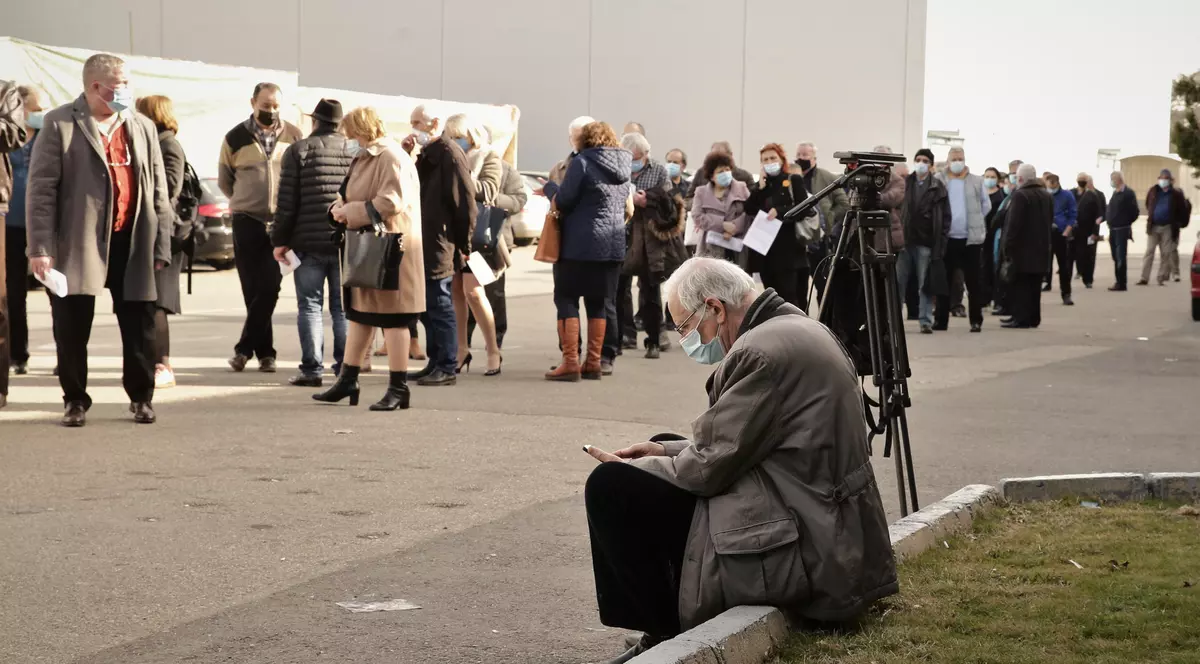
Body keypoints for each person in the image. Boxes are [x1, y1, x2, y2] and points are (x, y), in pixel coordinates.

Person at [582, 257, 897, 663]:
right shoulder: (796, 328)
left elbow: (708, 469)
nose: (685, 339)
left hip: (808, 538)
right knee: (660, 446)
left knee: (611, 487)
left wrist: (631, 468)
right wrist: (662, 452)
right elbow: (740, 443)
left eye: (684, 327)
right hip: (823, 518)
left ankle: (663, 631)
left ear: (714, 308)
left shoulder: (758, 352)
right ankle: (662, 624)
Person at [26, 53, 174, 426]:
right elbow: (41, 192)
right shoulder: (60, 123)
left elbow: (158, 189)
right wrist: (40, 248)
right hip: (78, 242)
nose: (127, 90)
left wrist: (162, 244)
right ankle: (75, 400)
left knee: (139, 325)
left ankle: (141, 397)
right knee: (72, 326)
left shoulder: (141, 125)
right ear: (96, 86)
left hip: (133, 240)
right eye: (121, 84)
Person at [311, 107, 425, 411]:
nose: (348, 140)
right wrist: (338, 209)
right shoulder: (366, 156)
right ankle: (348, 380)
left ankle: (398, 389)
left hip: (390, 251)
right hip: (369, 248)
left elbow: (391, 201)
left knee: (395, 320)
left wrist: (350, 212)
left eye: (350, 134)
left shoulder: (390, 156)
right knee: (361, 315)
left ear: (361, 130)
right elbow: (349, 193)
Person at [271, 98, 355, 387]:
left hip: (307, 243)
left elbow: (286, 203)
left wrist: (279, 240)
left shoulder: (299, 150)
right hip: (344, 241)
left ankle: (312, 370)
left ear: (315, 120)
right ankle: (345, 368)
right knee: (342, 309)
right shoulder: (353, 150)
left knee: (309, 306)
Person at [219, 82, 302, 373]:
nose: (271, 111)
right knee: (251, 290)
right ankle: (266, 354)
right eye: (266, 106)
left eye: (276, 106)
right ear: (253, 102)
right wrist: (244, 200)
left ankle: (243, 350)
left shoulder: (294, 135)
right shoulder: (235, 137)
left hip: (281, 222)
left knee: (270, 287)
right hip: (247, 220)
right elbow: (225, 180)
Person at [542, 121, 630, 382]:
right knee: (598, 302)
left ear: (584, 140)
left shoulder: (581, 162)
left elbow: (565, 200)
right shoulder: (624, 165)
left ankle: (570, 362)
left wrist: (549, 188)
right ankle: (593, 362)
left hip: (579, 245)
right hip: (612, 247)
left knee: (566, 298)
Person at [404, 104, 476, 387]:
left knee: (439, 304)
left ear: (434, 123)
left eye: (417, 123)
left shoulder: (449, 153)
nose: (414, 128)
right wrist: (408, 155)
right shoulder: (427, 154)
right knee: (426, 307)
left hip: (440, 241)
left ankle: (446, 365)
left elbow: (465, 202)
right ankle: (435, 362)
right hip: (423, 239)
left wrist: (464, 242)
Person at [135, 95, 190, 389]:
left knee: (159, 304)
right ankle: (150, 362)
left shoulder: (168, 145)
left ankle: (163, 365)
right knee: (145, 303)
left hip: (164, 236)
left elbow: (169, 189)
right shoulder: (151, 142)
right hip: (146, 233)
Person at [442, 114, 503, 376]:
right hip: (452, 233)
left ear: (472, 136)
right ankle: (461, 349)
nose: (456, 141)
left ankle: (493, 350)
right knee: (456, 291)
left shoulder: (489, 156)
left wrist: (461, 176)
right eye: (451, 136)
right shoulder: (446, 156)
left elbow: (489, 190)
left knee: (474, 292)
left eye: (460, 136)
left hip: (476, 236)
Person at [617, 132, 672, 355]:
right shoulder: (617, 168)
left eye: (637, 157)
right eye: (630, 157)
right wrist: (628, 199)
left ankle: (654, 341)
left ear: (646, 154)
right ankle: (623, 336)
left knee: (651, 291)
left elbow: (668, 203)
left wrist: (646, 200)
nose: (634, 162)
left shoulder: (658, 170)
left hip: (649, 239)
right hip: (622, 235)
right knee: (619, 290)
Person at [744, 143, 817, 311]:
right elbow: (749, 209)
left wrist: (780, 211)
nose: (769, 162)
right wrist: (760, 188)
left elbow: (804, 208)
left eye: (773, 158)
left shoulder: (793, 180)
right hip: (766, 253)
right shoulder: (762, 185)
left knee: (792, 300)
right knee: (773, 302)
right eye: (765, 159)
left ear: (781, 159)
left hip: (790, 253)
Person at [467, 155, 527, 352]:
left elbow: (519, 199)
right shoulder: (458, 162)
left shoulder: (505, 169)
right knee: (463, 292)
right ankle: (463, 340)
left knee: (492, 292)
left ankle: (495, 339)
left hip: (492, 240)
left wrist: (493, 199)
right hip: (463, 240)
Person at [933, 147, 990, 332]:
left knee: (974, 282)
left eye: (961, 158)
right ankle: (941, 320)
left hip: (970, 240)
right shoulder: (939, 180)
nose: (958, 162)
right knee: (944, 282)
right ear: (948, 161)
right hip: (947, 239)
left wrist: (975, 221)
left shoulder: (976, 181)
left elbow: (986, 205)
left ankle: (976, 321)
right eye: (954, 158)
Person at [3, 84, 36, 392]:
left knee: (58, 293)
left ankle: (65, 354)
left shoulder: (49, 137)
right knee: (14, 293)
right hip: (11, 223)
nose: (39, 115)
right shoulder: (10, 139)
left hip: (44, 225)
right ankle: (18, 354)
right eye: (34, 109)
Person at [896, 148, 950, 334]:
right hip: (905, 241)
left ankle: (925, 320)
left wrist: (940, 243)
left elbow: (945, 218)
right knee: (899, 283)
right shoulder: (905, 183)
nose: (921, 163)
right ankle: (894, 320)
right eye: (918, 159)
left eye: (925, 161)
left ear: (931, 165)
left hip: (926, 242)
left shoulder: (938, 187)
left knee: (925, 285)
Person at [793, 142, 850, 302]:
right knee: (798, 288)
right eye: (798, 155)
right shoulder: (791, 176)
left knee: (823, 285)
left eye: (805, 155)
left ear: (814, 158)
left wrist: (829, 218)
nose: (801, 158)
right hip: (796, 240)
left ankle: (824, 315)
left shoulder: (826, 177)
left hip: (819, 240)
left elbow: (844, 203)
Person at [1001, 164, 1053, 329]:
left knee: (1021, 285)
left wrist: (1007, 245)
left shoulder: (1020, 195)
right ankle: (1033, 317)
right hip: (1041, 247)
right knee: (1034, 286)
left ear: (1021, 178)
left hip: (1022, 248)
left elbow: (1014, 224)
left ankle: (1020, 318)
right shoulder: (1046, 195)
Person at [691, 151, 750, 260]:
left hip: (736, 246)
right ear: (712, 177)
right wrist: (722, 225)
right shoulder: (701, 192)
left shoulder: (742, 188)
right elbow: (697, 216)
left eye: (727, 170)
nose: (725, 173)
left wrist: (734, 227)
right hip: (710, 248)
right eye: (720, 171)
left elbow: (749, 212)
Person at [1138, 168, 1188, 286]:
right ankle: (1144, 277)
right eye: (1162, 178)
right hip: (1154, 226)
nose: (1163, 181)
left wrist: (1179, 223)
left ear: (1170, 180)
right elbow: (1148, 204)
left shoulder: (1175, 194)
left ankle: (1161, 277)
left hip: (1168, 227)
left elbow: (1182, 210)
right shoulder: (1153, 191)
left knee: (1166, 252)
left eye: (1166, 178)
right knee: (1149, 251)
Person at [1043, 173, 1077, 304]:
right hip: (1045, 233)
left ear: (1057, 183)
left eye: (1053, 184)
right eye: (1049, 184)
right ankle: (1046, 284)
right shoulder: (1043, 195)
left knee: (1064, 266)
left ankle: (1066, 294)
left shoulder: (1067, 195)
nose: (1051, 187)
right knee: (1045, 264)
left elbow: (1073, 214)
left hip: (1061, 233)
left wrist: (1067, 231)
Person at [1105, 171, 1139, 291]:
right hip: (1113, 229)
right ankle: (1118, 281)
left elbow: (1134, 211)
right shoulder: (1115, 193)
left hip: (1122, 229)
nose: (1111, 181)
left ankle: (1121, 283)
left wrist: (1125, 222)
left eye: (1113, 179)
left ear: (1118, 179)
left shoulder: (1128, 193)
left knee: (1120, 257)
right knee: (1115, 256)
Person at [1071, 173, 1105, 289]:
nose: (1081, 181)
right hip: (1074, 230)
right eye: (1080, 179)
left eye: (1083, 179)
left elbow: (1098, 215)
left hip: (1088, 231)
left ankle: (1088, 279)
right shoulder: (1071, 193)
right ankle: (1077, 272)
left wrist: (1095, 232)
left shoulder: (1092, 196)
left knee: (1089, 255)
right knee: (1075, 254)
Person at [980, 167, 1005, 309]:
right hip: (981, 234)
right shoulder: (981, 193)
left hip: (995, 234)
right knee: (983, 266)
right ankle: (985, 297)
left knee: (996, 266)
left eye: (992, 176)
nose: (989, 179)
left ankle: (997, 298)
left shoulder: (1001, 195)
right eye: (987, 176)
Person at [690, 141, 755, 190]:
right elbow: (689, 198)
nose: (717, 161)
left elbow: (753, 200)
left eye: (721, 157)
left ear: (731, 155)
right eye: (713, 157)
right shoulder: (701, 173)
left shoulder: (745, 177)